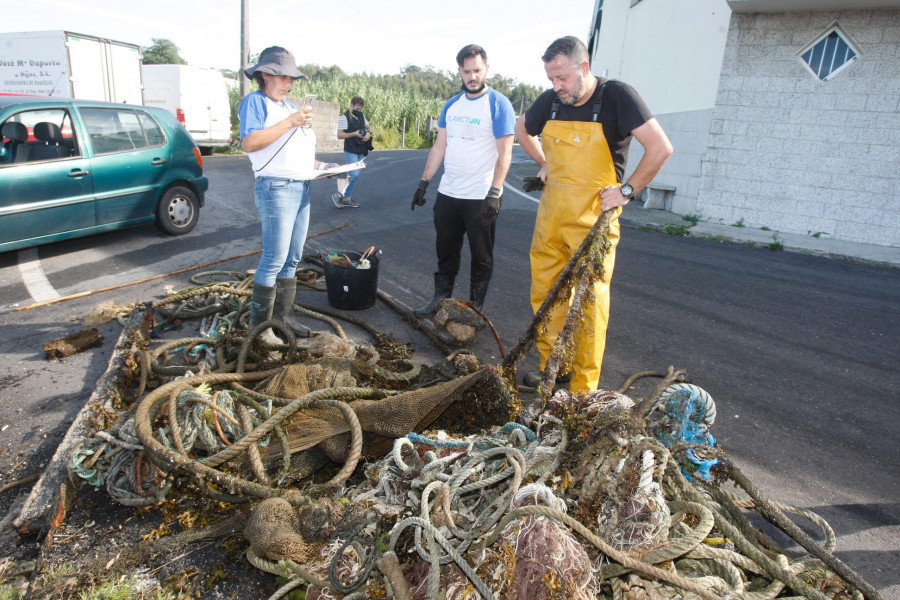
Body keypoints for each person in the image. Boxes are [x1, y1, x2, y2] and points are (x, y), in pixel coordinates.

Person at [514, 36, 673, 392]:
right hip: (551, 220)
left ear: (584, 68)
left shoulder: (618, 97)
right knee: (546, 295)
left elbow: (661, 147)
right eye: (551, 80)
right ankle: (553, 368)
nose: (556, 87)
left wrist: (627, 190)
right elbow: (521, 129)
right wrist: (543, 163)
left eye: (562, 79)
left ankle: (584, 386)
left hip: (594, 224)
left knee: (588, 303)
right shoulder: (551, 102)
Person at [239, 46, 338, 343]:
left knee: (292, 258)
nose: (289, 83)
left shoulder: (285, 107)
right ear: (265, 75)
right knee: (274, 258)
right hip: (276, 188)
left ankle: (284, 318)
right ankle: (261, 330)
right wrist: (291, 121)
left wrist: (327, 167)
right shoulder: (255, 102)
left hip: (301, 184)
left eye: (291, 78)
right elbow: (250, 142)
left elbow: (294, 152)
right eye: (283, 76)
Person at [410, 44, 516, 315]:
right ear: (459, 71)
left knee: (481, 257)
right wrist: (424, 182)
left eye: (477, 70)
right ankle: (439, 300)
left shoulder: (498, 103)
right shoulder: (452, 105)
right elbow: (439, 147)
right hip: (448, 194)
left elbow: (506, 152)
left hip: (481, 196)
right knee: (445, 252)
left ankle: (474, 309)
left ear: (486, 69)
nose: (472, 76)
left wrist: (496, 191)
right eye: (467, 71)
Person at [334, 96, 373, 208]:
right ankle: (340, 195)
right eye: (356, 108)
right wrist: (355, 134)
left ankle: (346, 198)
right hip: (350, 149)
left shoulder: (361, 116)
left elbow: (370, 128)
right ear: (351, 105)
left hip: (361, 149)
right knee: (354, 174)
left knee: (354, 175)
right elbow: (339, 135)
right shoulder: (344, 118)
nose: (358, 111)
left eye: (360, 109)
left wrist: (368, 134)